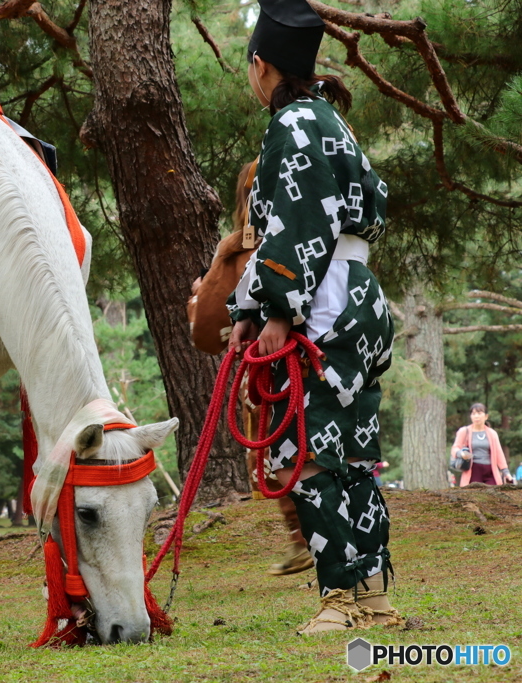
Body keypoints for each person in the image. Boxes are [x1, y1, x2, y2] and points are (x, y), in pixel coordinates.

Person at [227, 0, 399, 634]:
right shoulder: (328, 119)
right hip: (358, 296)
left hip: (323, 303)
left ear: (260, 65)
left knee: (309, 455)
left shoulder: (293, 124)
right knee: (353, 454)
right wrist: (250, 304)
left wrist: (274, 311)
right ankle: (375, 596)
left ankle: (340, 601)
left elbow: (298, 228)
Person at [188, 161, 312, 579]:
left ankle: (310, 539)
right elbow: (212, 322)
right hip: (294, 362)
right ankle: (307, 539)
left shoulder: (239, 250)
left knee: (286, 454)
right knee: (292, 452)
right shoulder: (317, 234)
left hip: (285, 364)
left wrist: (202, 298)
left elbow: (205, 325)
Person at [451, 403, 510, 486]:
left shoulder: (492, 433)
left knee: (493, 495)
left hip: (490, 470)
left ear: (486, 416)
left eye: (479, 413)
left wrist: (505, 472)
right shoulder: (464, 431)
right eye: (473, 414)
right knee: (474, 496)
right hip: (473, 470)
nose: (476, 416)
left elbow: (499, 453)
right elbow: (455, 448)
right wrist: (461, 453)